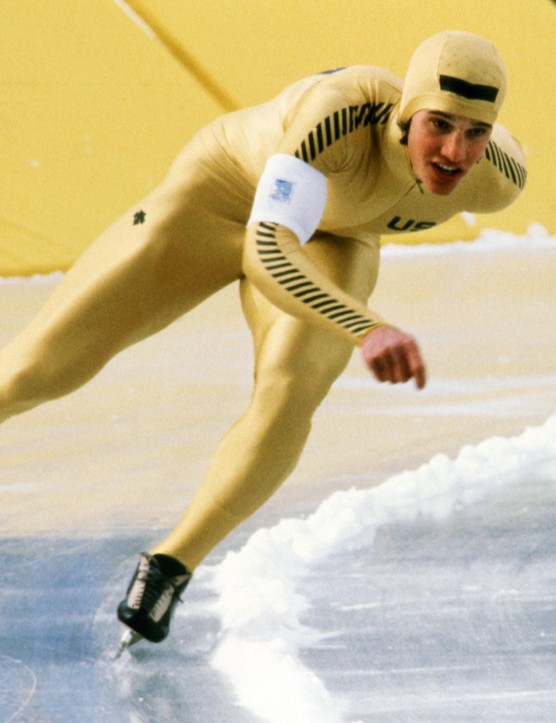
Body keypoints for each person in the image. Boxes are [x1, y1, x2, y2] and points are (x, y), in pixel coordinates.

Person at [0, 30, 526, 646]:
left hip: (336, 237)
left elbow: (305, 240)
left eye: (475, 132)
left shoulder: (498, 179)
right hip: (219, 200)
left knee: (289, 393)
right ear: (407, 112)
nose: (453, 153)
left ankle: (172, 564)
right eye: (439, 124)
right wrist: (368, 325)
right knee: (43, 367)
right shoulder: (339, 113)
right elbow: (266, 247)